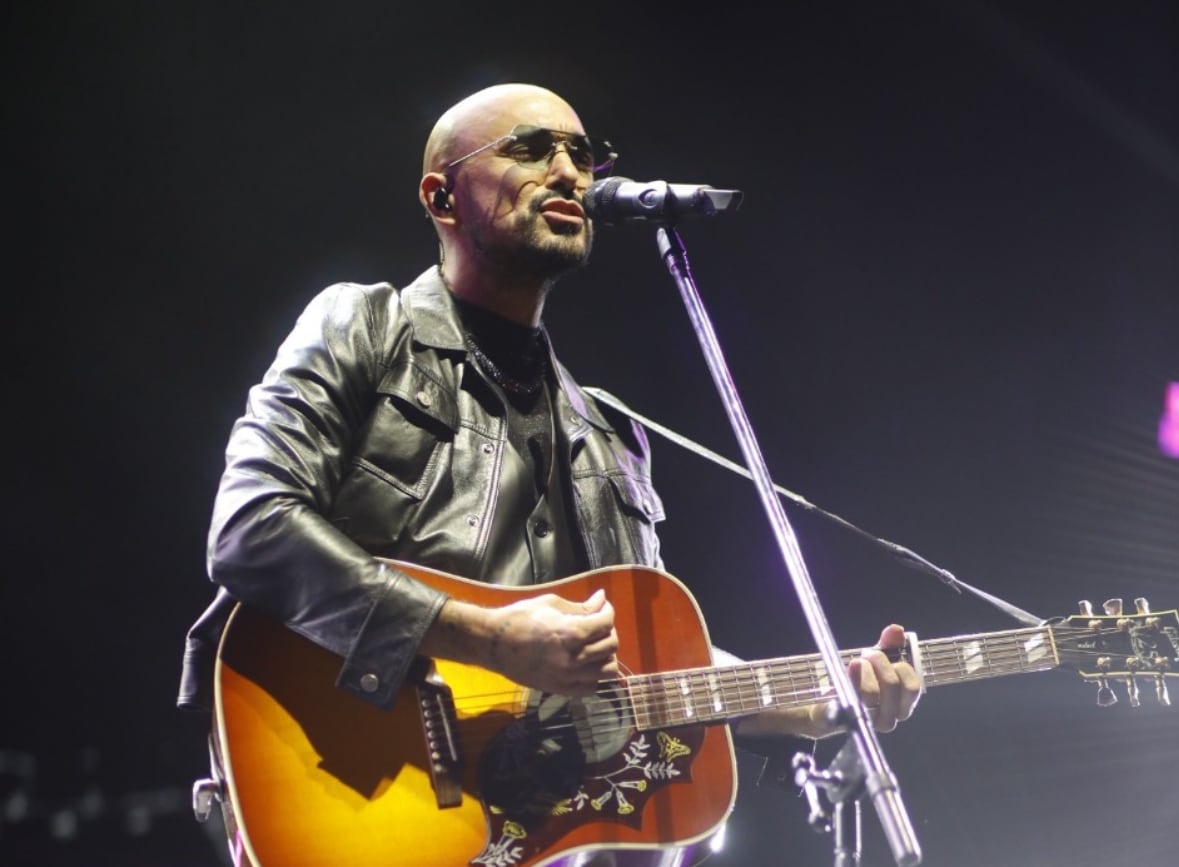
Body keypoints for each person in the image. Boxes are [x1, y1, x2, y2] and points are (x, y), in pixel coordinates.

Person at [177, 81, 920, 852]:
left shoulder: (611, 432)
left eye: (582, 154)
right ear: (442, 196)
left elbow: (643, 673)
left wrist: (818, 700)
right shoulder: (366, 329)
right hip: (361, 797)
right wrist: (491, 638)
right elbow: (250, 526)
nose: (570, 171)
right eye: (531, 149)